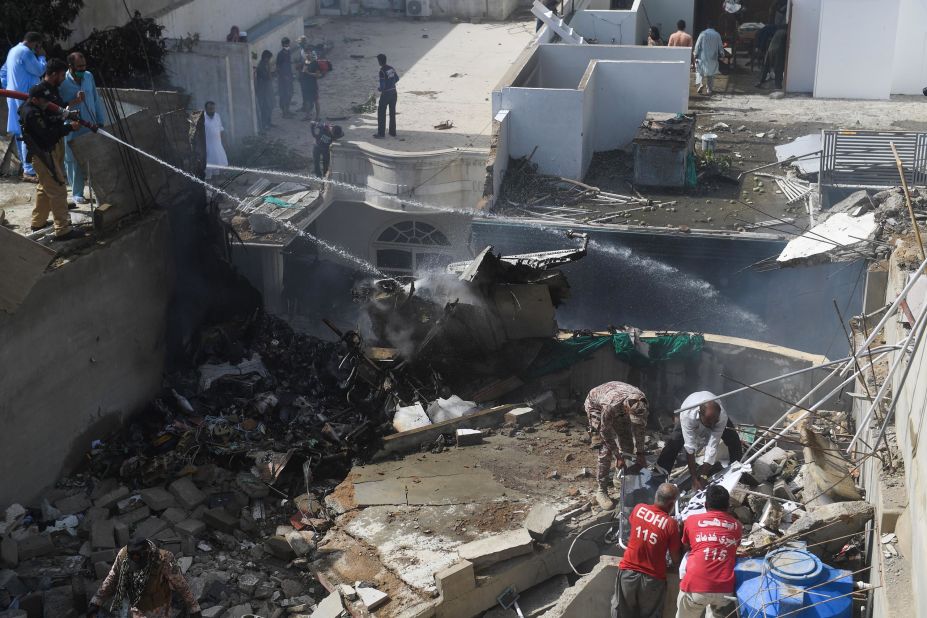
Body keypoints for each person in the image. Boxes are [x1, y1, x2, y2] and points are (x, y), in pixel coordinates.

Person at [19, 61, 83, 241]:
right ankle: (62, 230)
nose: (48, 103)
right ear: (35, 100)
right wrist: (69, 127)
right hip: (43, 154)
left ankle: (37, 222)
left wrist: (66, 116)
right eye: (45, 101)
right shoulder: (32, 113)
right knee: (58, 189)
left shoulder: (38, 106)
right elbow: (47, 135)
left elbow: (51, 120)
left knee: (45, 188)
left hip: (46, 151)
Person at [612, 483, 682, 618]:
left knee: (621, 612)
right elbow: (675, 559)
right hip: (652, 579)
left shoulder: (638, 509)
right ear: (671, 504)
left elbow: (640, 531)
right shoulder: (671, 524)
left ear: (656, 497)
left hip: (628, 572)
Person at [88, 538, 202, 618]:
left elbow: (180, 584)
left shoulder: (164, 558)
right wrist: (97, 601)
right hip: (137, 606)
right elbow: (112, 578)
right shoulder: (123, 555)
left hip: (160, 607)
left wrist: (193, 607)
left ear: (147, 553)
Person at [676, 486, 742, 618]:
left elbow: (686, 545)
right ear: (728, 506)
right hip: (724, 589)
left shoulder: (691, 521)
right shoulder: (737, 526)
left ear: (705, 504)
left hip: (695, 586)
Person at [655, 392, 743, 490]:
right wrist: (694, 479)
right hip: (688, 412)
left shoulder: (721, 417)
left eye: (715, 422)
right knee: (675, 441)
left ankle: (737, 469)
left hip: (713, 416)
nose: (712, 425)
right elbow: (690, 448)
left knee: (733, 438)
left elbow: (712, 447)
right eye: (709, 422)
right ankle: (659, 475)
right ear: (700, 414)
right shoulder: (687, 416)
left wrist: (703, 476)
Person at [584, 381, 650, 510]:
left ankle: (618, 478)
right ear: (626, 409)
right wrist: (618, 457)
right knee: (605, 449)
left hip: (619, 406)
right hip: (596, 405)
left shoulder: (642, 402)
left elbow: (639, 429)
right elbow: (605, 433)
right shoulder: (610, 406)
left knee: (627, 444)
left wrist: (640, 453)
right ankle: (601, 491)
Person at [58, 52, 106, 205]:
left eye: (84, 66)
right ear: (70, 66)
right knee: (72, 160)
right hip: (72, 127)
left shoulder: (88, 76)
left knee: (94, 159)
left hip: (90, 124)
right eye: (79, 67)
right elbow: (57, 107)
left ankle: (99, 192)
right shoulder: (62, 81)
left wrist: (100, 120)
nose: (82, 69)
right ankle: (77, 192)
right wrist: (75, 100)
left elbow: (95, 98)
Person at [3, 32, 47, 181]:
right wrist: (41, 56)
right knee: (27, 131)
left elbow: (2, 73)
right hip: (24, 98)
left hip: (14, 96)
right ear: (35, 43)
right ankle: (29, 170)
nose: (38, 48)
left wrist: (9, 87)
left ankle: (26, 168)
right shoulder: (26, 52)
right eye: (38, 46)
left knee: (20, 133)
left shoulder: (13, 51)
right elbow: (40, 70)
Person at [693, 23, 724, 95]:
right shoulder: (717, 34)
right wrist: (722, 54)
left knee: (700, 71)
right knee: (711, 74)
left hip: (702, 57)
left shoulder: (702, 34)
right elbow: (720, 46)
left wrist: (695, 54)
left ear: (707, 27)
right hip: (713, 58)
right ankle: (709, 90)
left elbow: (697, 45)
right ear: (714, 27)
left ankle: (701, 84)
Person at [374, 53, 400, 139]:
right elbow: (397, 78)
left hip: (386, 94)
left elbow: (382, 86)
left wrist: (379, 89)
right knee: (392, 113)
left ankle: (381, 134)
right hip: (394, 93)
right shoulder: (391, 68)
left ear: (380, 61)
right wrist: (391, 84)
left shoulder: (382, 71)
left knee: (381, 113)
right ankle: (392, 132)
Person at [203, 101, 228, 179]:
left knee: (217, 171)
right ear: (206, 109)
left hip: (217, 146)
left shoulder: (217, 116)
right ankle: (208, 189)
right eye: (210, 109)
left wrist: (225, 142)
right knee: (208, 171)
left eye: (213, 109)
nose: (212, 110)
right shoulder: (202, 117)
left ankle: (216, 188)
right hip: (207, 147)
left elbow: (221, 130)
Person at [758, 26, 788, 90]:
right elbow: (786, 45)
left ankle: (761, 81)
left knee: (766, 66)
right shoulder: (786, 33)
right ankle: (778, 86)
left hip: (770, 49)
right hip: (778, 50)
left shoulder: (778, 31)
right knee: (778, 68)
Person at [255, 50, 275, 131]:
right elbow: (268, 78)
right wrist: (270, 70)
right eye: (269, 58)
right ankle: (264, 125)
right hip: (262, 90)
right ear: (266, 58)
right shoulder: (261, 66)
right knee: (264, 107)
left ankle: (268, 122)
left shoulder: (265, 64)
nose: (269, 60)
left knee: (270, 105)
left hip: (267, 89)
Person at [300, 52, 322, 122]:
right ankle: (308, 116)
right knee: (307, 101)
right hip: (306, 85)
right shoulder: (307, 62)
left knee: (316, 101)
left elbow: (318, 75)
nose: (307, 55)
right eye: (307, 54)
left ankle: (317, 117)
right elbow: (303, 72)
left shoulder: (316, 63)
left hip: (313, 85)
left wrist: (308, 73)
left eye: (309, 54)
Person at [276, 37, 294, 118]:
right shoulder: (280, 54)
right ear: (283, 44)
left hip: (289, 76)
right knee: (284, 95)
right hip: (283, 79)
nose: (287, 45)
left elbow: (289, 65)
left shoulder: (288, 52)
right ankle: (284, 112)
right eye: (286, 44)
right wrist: (284, 76)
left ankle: (287, 110)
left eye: (287, 43)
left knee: (290, 93)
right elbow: (278, 67)